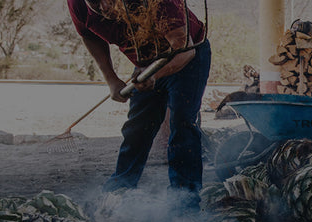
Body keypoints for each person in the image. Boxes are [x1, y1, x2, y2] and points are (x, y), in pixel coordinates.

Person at [68, 0, 211, 211]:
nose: (105, 7)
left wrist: (155, 74)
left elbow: (185, 50)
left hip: (187, 57)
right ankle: (118, 191)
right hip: (146, 61)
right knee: (137, 127)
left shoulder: (157, 2)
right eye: (97, 3)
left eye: (110, 0)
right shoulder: (77, 4)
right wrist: (111, 79)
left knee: (182, 124)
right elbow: (89, 35)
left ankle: (185, 202)